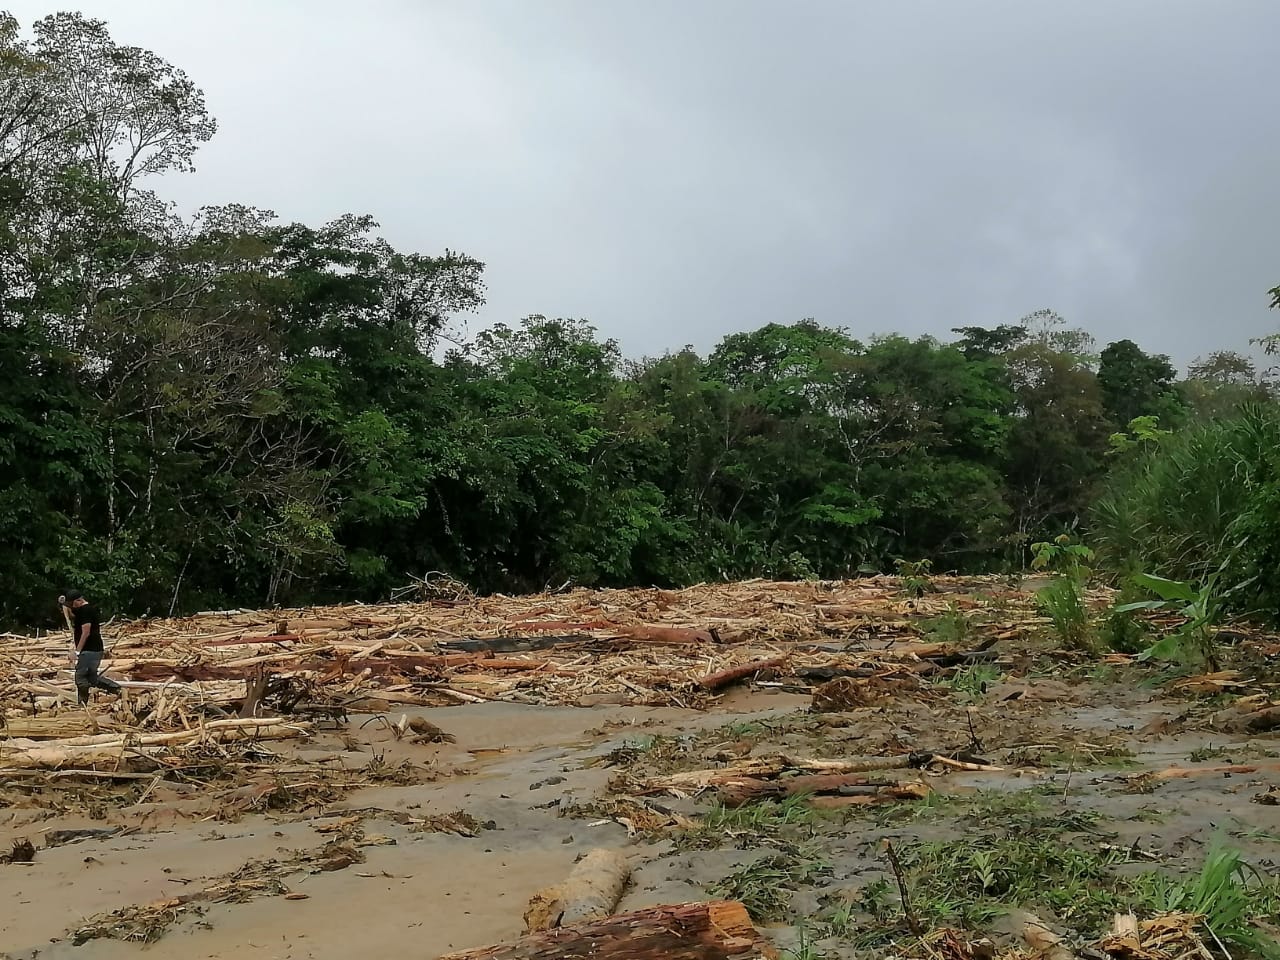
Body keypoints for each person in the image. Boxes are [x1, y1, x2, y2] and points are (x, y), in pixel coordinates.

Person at [58, 590, 122, 705]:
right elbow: (72, 615)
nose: (72, 606)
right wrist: (64, 605)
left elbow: (86, 632)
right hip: (95, 649)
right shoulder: (85, 610)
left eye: (72, 604)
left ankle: (82, 704)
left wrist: (78, 651)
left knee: (81, 677)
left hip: (89, 650)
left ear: (78, 600)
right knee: (92, 678)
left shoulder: (86, 611)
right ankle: (117, 689)